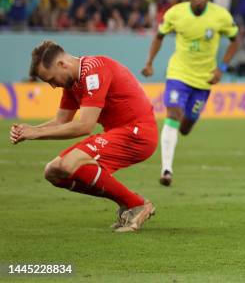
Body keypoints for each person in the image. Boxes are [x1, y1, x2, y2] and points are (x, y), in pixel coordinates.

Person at [10, 41, 157, 232]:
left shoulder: (94, 71)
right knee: (53, 172)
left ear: (62, 64)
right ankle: (130, 204)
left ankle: (137, 204)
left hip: (138, 132)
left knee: (70, 163)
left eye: (52, 79)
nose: (53, 86)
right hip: (119, 133)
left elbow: (85, 125)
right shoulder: (72, 83)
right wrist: (30, 130)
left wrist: (36, 133)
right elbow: (61, 122)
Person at [142, 0, 239, 186]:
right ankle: (166, 169)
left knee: (185, 127)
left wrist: (221, 67)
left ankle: (184, 129)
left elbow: (235, 40)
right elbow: (159, 36)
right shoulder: (175, 13)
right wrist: (150, 62)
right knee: (173, 114)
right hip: (178, 74)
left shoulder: (221, 16)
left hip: (204, 80)